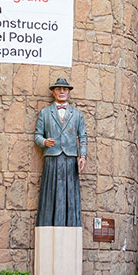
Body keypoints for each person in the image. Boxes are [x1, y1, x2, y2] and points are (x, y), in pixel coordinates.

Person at [34, 76, 87, 227]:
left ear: (69, 92)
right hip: (52, 158)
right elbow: (37, 135)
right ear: (53, 92)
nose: (62, 92)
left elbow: (82, 136)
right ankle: (48, 224)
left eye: (65, 89)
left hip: (70, 159)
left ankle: (70, 225)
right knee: (50, 193)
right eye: (58, 89)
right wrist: (44, 142)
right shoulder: (45, 113)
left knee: (70, 194)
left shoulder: (77, 114)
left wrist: (82, 155)